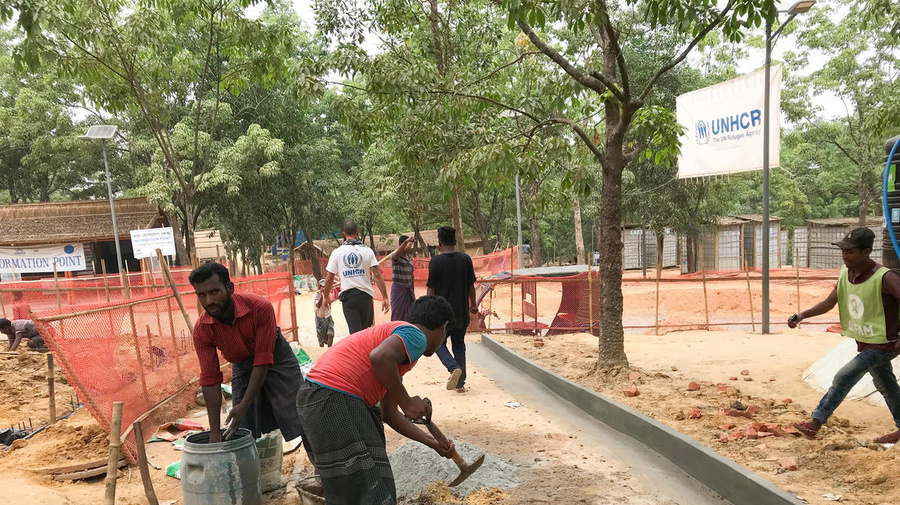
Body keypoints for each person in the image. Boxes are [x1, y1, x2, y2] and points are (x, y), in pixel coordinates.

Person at [296, 295, 456, 504]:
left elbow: (390, 414)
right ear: (443, 327)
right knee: (369, 491)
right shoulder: (415, 335)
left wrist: (433, 443)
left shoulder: (393, 361)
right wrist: (407, 402)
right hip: (333, 398)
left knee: (365, 484)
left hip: (317, 400)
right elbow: (380, 356)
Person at [788, 227, 900, 443]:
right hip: (866, 342)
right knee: (886, 385)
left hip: (884, 344)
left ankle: (815, 422)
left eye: (850, 251)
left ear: (866, 252)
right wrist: (801, 316)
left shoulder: (885, 277)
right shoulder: (846, 275)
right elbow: (829, 303)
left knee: (844, 376)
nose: (845, 256)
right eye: (843, 251)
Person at [189, 262, 303, 443]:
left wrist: (244, 404)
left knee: (300, 414)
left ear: (229, 288)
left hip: (276, 356)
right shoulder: (202, 330)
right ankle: (250, 460)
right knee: (242, 428)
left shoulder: (260, 308)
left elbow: (263, 360)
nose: (209, 301)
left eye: (214, 292)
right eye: (201, 295)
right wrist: (215, 432)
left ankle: (319, 458)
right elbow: (210, 379)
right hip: (241, 365)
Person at [427, 226, 477, 393]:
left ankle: (453, 367)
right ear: (455, 241)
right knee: (459, 345)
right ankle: (460, 384)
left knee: (437, 344)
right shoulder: (466, 259)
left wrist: (429, 307)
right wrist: (473, 304)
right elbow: (471, 285)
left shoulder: (435, 262)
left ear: (439, 244)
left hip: (442, 314)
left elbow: (431, 288)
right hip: (461, 312)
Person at [322, 221, 390, 334]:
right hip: (365, 297)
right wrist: (385, 297)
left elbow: (329, 277)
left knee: (355, 334)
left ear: (343, 233)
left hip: (349, 298)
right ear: (357, 232)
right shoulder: (367, 251)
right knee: (366, 332)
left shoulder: (337, 253)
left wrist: (326, 296)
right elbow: (377, 275)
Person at [390, 235, 416, 322]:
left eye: (410, 245)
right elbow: (396, 256)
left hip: (408, 290)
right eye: (408, 244)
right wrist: (406, 242)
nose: (409, 247)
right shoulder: (395, 257)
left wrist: (412, 288)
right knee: (397, 315)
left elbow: (411, 274)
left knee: (411, 314)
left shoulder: (410, 258)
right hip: (398, 290)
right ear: (401, 244)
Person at [314, 279, 335, 347]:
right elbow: (318, 305)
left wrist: (326, 295)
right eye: (322, 286)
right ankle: (321, 350)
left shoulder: (329, 293)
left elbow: (331, 302)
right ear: (319, 286)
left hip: (328, 317)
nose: (324, 288)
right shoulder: (316, 295)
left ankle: (329, 349)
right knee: (321, 337)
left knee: (330, 334)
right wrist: (322, 296)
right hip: (320, 318)